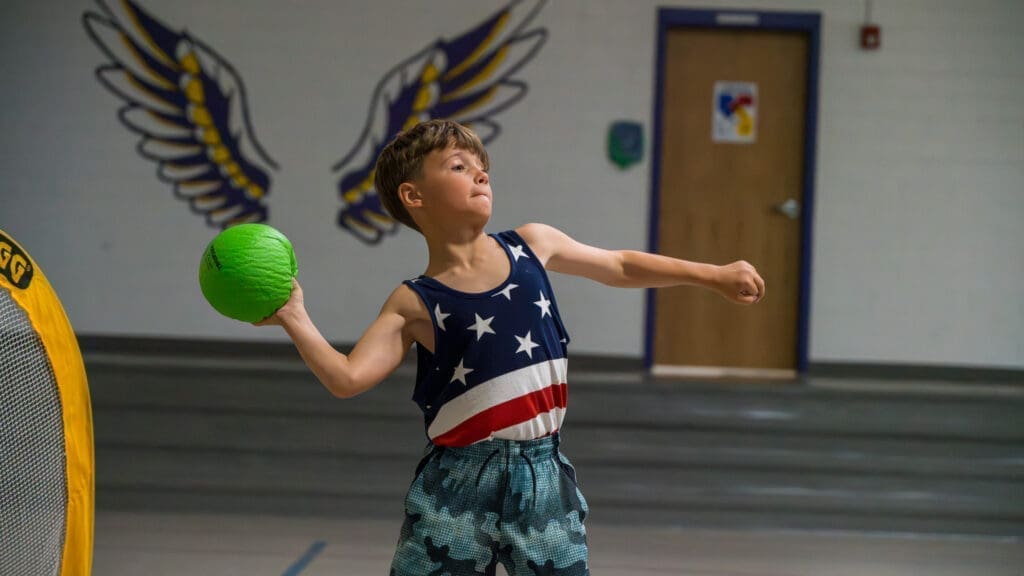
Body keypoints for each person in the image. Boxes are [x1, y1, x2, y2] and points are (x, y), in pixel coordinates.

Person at [258, 119, 764, 575]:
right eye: (459, 166)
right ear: (413, 196)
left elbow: (620, 265)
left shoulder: (532, 244)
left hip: (543, 477)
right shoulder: (414, 302)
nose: (481, 175)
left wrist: (713, 275)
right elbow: (347, 378)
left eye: (483, 169)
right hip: (454, 486)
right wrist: (294, 315)